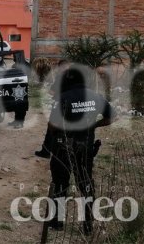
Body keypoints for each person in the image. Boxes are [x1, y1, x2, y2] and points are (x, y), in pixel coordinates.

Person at [47, 67, 115, 234]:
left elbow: (52, 124)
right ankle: (87, 224)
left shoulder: (63, 98)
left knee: (61, 183)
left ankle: (57, 221)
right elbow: (112, 116)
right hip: (86, 147)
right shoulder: (95, 97)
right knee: (85, 183)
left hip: (63, 147)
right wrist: (94, 124)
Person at [35, 60, 70, 158]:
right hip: (73, 106)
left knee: (52, 129)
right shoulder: (75, 77)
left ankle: (46, 151)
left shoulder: (60, 77)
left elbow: (51, 92)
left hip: (59, 106)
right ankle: (65, 151)